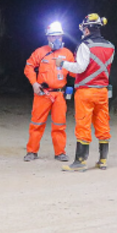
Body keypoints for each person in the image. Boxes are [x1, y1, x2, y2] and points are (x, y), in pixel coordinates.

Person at [58, 13, 114, 171]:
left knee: (83, 124)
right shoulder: (110, 46)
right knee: (103, 123)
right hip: (102, 91)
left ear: (87, 29)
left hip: (86, 91)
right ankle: (103, 160)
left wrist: (63, 63)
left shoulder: (85, 45)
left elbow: (80, 68)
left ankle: (80, 161)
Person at [23, 21, 74, 162]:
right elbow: (28, 68)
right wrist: (34, 84)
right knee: (37, 124)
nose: (56, 39)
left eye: (59, 36)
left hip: (59, 94)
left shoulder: (68, 54)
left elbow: (75, 73)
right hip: (42, 94)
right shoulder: (40, 52)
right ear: (48, 37)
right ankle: (32, 151)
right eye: (53, 36)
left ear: (62, 37)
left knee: (59, 124)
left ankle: (60, 152)